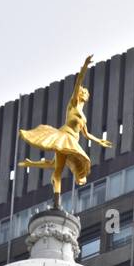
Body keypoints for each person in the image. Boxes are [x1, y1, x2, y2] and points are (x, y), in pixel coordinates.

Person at [18, 55, 111, 202]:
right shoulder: (73, 104)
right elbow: (78, 82)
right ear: (80, 94)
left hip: (72, 142)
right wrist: (85, 66)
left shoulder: (83, 116)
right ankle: (56, 198)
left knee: (59, 166)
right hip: (64, 137)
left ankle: (55, 193)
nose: (87, 94)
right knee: (60, 168)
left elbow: (86, 134)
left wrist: (99, 141)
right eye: (85, 92)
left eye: (87, 93)